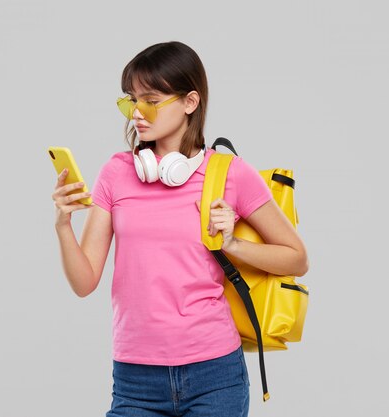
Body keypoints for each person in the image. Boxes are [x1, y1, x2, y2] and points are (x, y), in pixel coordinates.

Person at [51, 41, 309, 417]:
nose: (137, 112)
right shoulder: (116, 173)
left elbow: (297, 258)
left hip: (215, 374)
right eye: (130, 100)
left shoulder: (229, 172)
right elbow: (84, 282)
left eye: (151, 100)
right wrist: (62, 225)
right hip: (135, 378)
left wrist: (232, 243)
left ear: (190, 102)